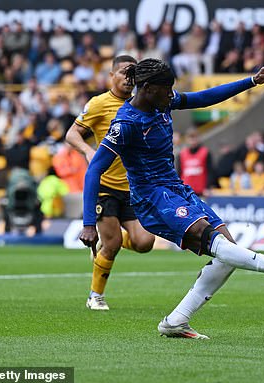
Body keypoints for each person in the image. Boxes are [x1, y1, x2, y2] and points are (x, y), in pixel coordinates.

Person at [79, 59, 264, 339]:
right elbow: (94, 170)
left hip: (176, 189)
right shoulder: (126, 124)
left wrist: (251, 81)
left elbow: (202, 98)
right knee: (213, 241)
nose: (171, 95)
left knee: (228, 251)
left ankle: (177, 321)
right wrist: (89, 222)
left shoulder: (161, 101)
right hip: (152, 198)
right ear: (148, 88)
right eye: (166, 90)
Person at [65, 55, 156, 311]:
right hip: (104, 187)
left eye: (132, 74)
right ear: (111, 76)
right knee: (113, 245)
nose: (128, 79)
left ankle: (110, 240)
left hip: (133, 187)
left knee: (144, 243)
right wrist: (86, 150)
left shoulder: (142, 104)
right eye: (124, 73)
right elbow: (71, 134)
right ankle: (95, 296)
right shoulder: (98, 104)